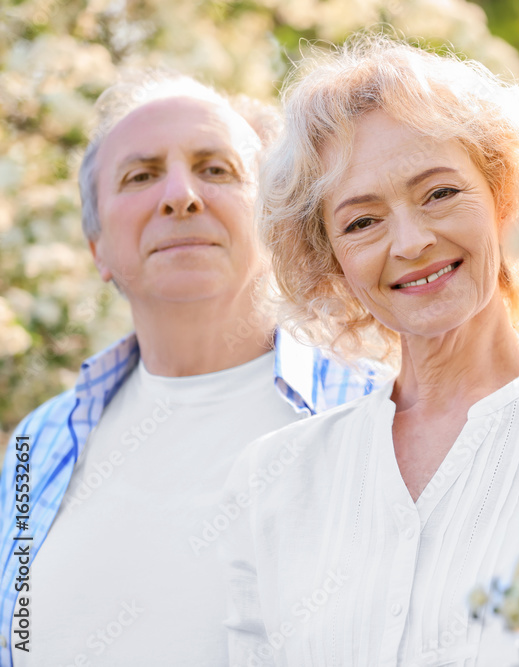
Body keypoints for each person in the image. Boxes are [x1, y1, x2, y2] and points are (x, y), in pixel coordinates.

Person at [221, 36, 519, 666]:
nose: (410, 241)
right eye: (361, 222)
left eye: (439, 193)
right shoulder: (274, 483)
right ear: (331, 261)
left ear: (506, 199)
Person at [0, 71, 381, 667]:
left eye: (216, 169)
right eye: (141, 176)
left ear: (272, 222)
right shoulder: (38, 444)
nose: (181, 196)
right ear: (97, 248)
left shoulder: (378, 415)